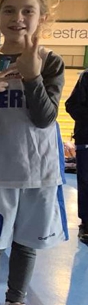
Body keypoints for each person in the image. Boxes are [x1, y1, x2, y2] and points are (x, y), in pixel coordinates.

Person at [0, 0, 68, 305]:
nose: (17, 17)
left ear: (42, 18)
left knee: (26, 243)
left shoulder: (50, 61)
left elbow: (45, 117)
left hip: (39, 170)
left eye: (27, 10)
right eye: (9, 10)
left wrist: (33, 76)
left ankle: (16, 299)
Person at [66, 68, 88, 246]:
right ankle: (86, 224)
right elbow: (71, 105)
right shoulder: (87, 77)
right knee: (86, 182)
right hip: (86, 142)